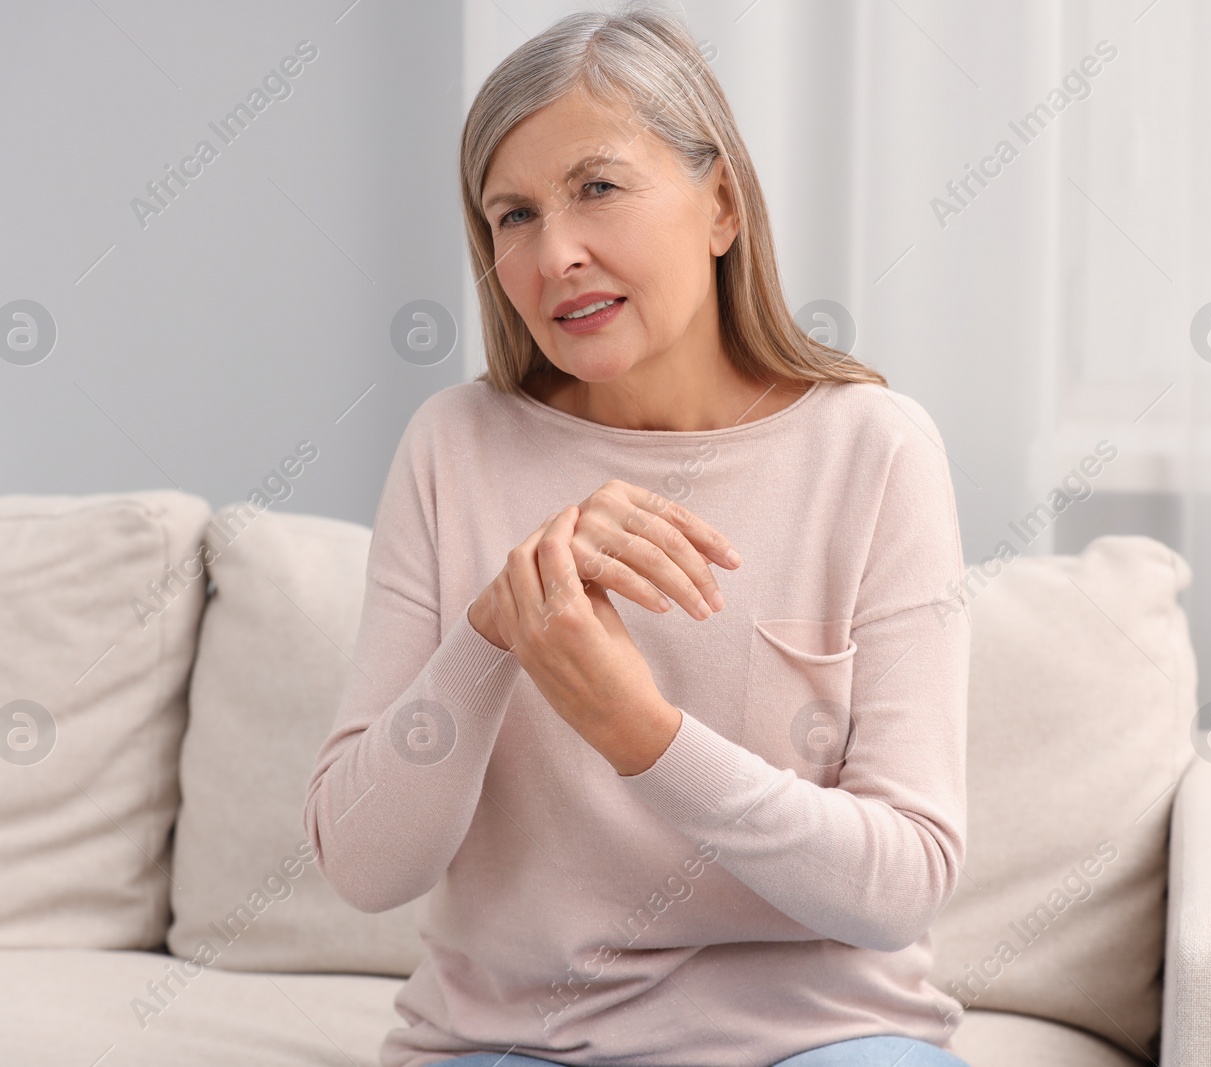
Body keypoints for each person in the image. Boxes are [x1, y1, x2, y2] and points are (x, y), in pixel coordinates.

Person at [303, 5, 972, 1066]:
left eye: (597, 188)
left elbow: (900, 883)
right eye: (510, 215)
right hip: (516, 1041)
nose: (553, 252)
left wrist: (642, 736)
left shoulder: (873, 450)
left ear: (720, 204)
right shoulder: (453, 445)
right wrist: (496, 628)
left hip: (821, 1037)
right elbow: (363, 863)